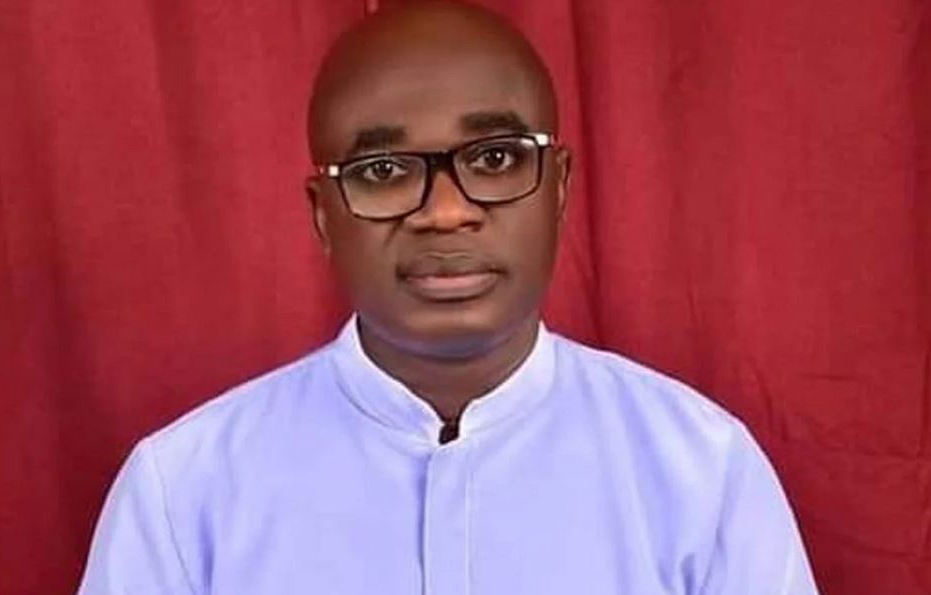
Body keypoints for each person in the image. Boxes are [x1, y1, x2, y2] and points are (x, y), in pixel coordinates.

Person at [78, 1, 820, 593]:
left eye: (495, 158)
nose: (444, 211)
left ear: (559, 188)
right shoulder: (185, 493)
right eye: (383, 170)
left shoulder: (701, 474)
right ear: (322, 216)